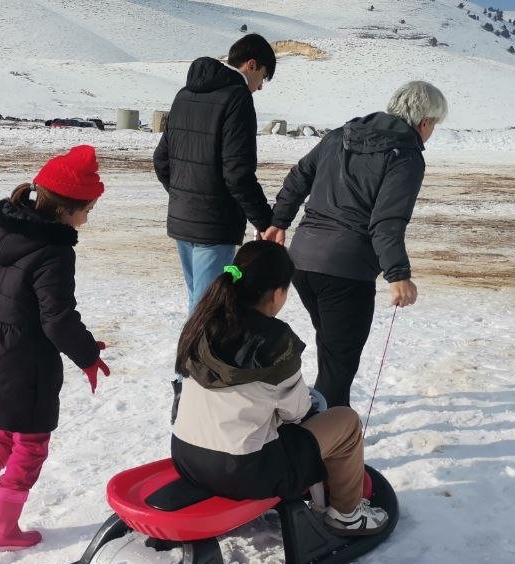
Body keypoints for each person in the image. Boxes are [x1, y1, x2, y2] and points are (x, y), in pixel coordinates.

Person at [171, 240, 388, 534]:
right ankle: (347, 514)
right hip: (243, 472)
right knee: (345, 422)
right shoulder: (274, 340)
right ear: (277, 292)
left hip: (186, 457)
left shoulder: (201, 323)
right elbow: (297, 412)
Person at [0, 145, 111, 551]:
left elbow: (27, 302)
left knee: (10, 424)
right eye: (88, 209)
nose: (88, 218)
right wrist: (88, 356)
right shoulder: (54, 252)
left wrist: (84, 344)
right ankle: (4, 530)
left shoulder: (7, 228)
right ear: (65, 209)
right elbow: (56, 318)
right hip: (24, 357)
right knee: (33, 441)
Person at [269, 81, 447, 408]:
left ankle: (328, 427)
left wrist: (279, 221)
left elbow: (299, 177)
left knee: (334, 352)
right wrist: (398, 275)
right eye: (434, 125)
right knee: (339, 363)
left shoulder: (341, 134)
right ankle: (327, 443)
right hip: (345, 271)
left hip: (303, 261)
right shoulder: (405, 155)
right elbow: (387, 221)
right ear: (425, 122)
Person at [153, 33, 284, 314]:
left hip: (183, 219)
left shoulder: (184, 94)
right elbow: (237, 172)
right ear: (251, 64)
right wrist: (264, 221)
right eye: (263, 76)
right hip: (214, 224)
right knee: (209, 310)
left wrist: (184, 196)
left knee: (198, 302)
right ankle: (197, 359)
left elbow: (161, 159)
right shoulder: (237, 98)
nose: (260, 87)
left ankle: (192, 357)